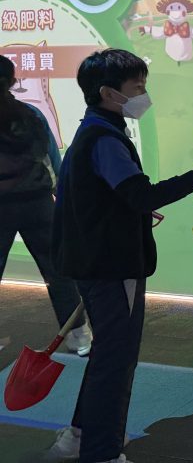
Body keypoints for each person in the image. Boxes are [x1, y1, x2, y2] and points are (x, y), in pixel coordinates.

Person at [49, 48, 193, 463]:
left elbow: (107, 196)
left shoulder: (94, 130)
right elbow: (141, 194)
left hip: (95, 261)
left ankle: (80, 436)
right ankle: (101, 450)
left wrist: (127, 210)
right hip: (111, 265)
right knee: (116, 358)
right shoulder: (104, 138)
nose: (143, 95)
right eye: (137, 88)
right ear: (108, 93)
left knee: (107, 354)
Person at [0, 55, 91, 355]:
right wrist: (63, 197)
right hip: (38, 205)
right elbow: (53, 160)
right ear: (13, 81)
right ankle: (78, 336)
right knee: (58, 273)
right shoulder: (32, 114)